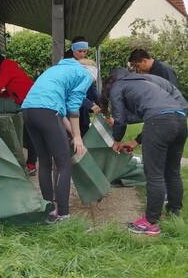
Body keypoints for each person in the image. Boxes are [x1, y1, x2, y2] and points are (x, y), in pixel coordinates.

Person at [101, 68, 187, 236]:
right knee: (173, 172)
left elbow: (120, 119)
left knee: (154, 174)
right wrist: (137, 141)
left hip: (160, 122)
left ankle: (150, 222)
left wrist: (115, 140)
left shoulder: (117, 86)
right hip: (181, 120)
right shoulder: (142, 82)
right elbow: (153, 112)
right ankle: (174, 212)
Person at [21, 58, 92, 222]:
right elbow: (73, 108)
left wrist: (73, 133)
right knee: (64, 164)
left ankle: (49, 210)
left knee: (44, 163)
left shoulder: (58, 70)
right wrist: (77, 137)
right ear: (91, 72)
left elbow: (59, 114)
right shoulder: (85, 74)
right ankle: (63, 214)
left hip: (28, 110)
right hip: (47, 111)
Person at [0, 51, 38, 175]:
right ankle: (30, 163)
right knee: (28, 133)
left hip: (31, 102)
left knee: (30, 134)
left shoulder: (6, 69)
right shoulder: (10, 68)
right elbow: (7, 92)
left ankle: (31, 165)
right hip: (28, 101)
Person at [64, 37, 101, 136]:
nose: (82, 54)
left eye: (85, 51)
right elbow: (72, 93)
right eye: (80, 51)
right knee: (73, 134)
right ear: (73, 49)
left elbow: (92, 88)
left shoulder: (84, 63)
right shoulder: (68, 65)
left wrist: (101, 104)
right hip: (69, 105)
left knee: (83, 129)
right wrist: (90, 105)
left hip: (82, 105)